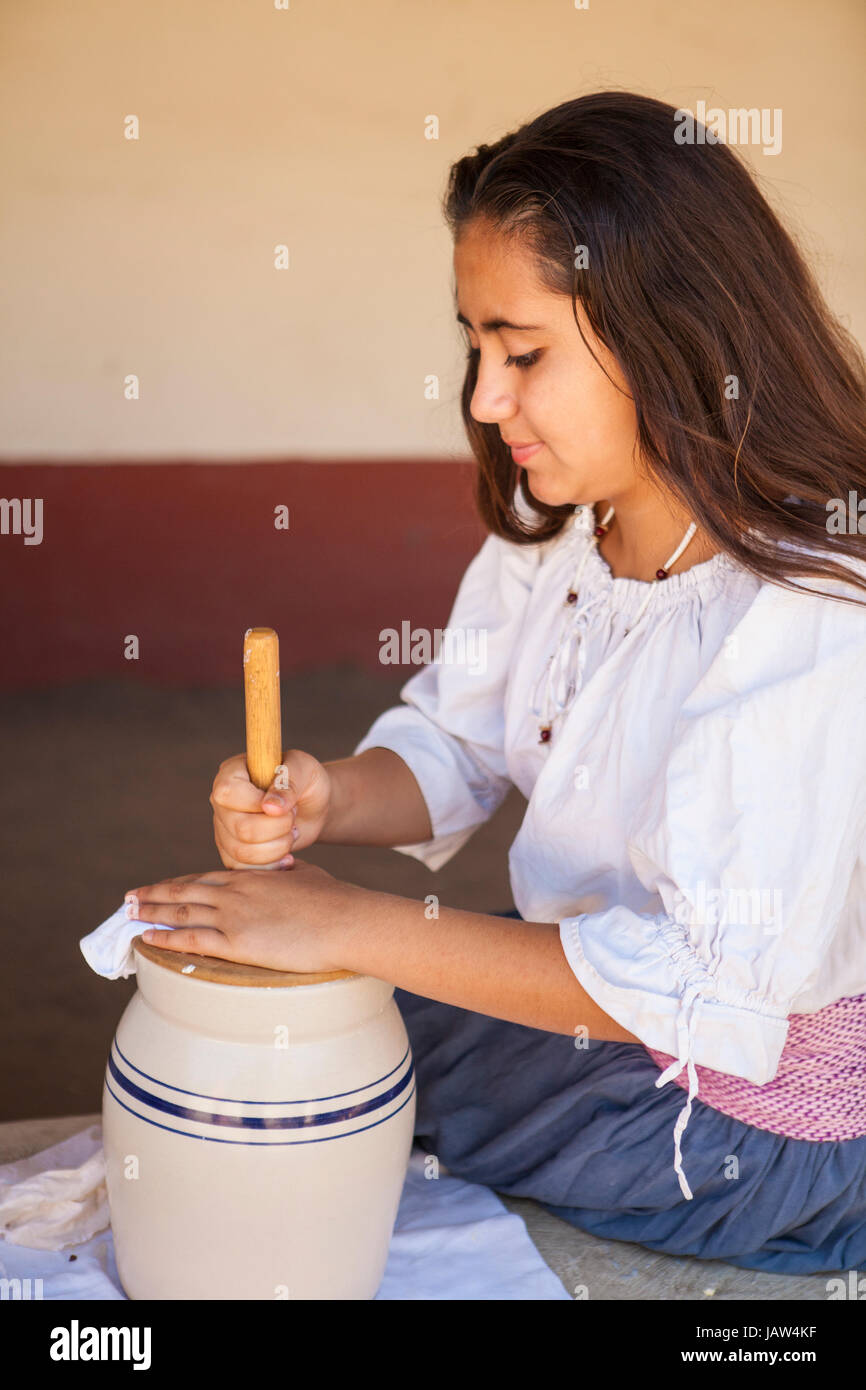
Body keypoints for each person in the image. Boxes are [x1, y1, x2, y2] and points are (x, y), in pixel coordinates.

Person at [127, 92, 866, 1275]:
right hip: (613, 1036)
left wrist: (350, 923)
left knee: (321, 1045)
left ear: (674, 332)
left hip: (740, 1124)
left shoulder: (811, 602)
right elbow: (453, 749)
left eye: (522, 352)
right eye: (474, 346)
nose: (483, 397)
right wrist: (322, 795)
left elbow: (694, 986)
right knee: (314, 1022)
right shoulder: (563, 534)